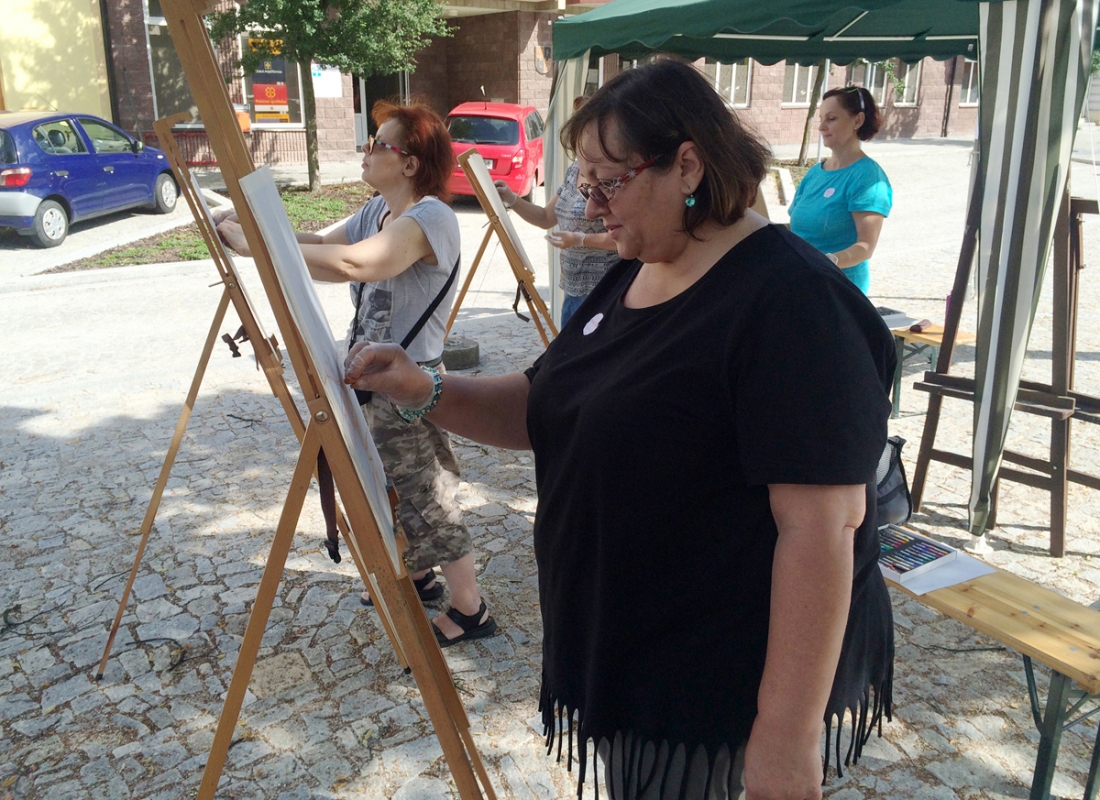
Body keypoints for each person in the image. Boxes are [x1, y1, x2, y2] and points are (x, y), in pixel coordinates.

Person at [341, 60, 896, 800]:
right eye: (585, 183)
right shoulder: (638, 268)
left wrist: (786, 739)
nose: (593, 206)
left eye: (608, 182)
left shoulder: (791, 303)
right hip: (634, 650)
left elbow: (824, 529)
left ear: (688, 163)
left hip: (715, 687)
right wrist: (424, 388)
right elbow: (548, 407)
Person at [217, 100, 497, 648]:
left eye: (378, 144)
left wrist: (256, 246)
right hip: (373, 379)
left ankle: (471, 608)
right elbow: (324, 246)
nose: (366, 152)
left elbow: (358, 263)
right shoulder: (377, 211)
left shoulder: (431, 217)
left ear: (411, 163)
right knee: (386, 483)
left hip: (410, 382)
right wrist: (250, 226)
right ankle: (419, 575)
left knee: (426, 493)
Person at [494, 96, 620, 327]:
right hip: (572, 287)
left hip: (600, 290)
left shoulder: (609, 175)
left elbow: (621, 237)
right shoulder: (574, 171)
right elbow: (545, 217)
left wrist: (579, 239)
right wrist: (511, 198)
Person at [788, 85, 893, 295]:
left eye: (831, 118)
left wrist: (831, 260)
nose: (821, 127)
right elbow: (797, 227)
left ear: (857, 120)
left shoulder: (868, 176)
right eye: (821, 119)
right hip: (802, 283)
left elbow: (865, 246)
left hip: (839, 290)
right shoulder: (814, 173)